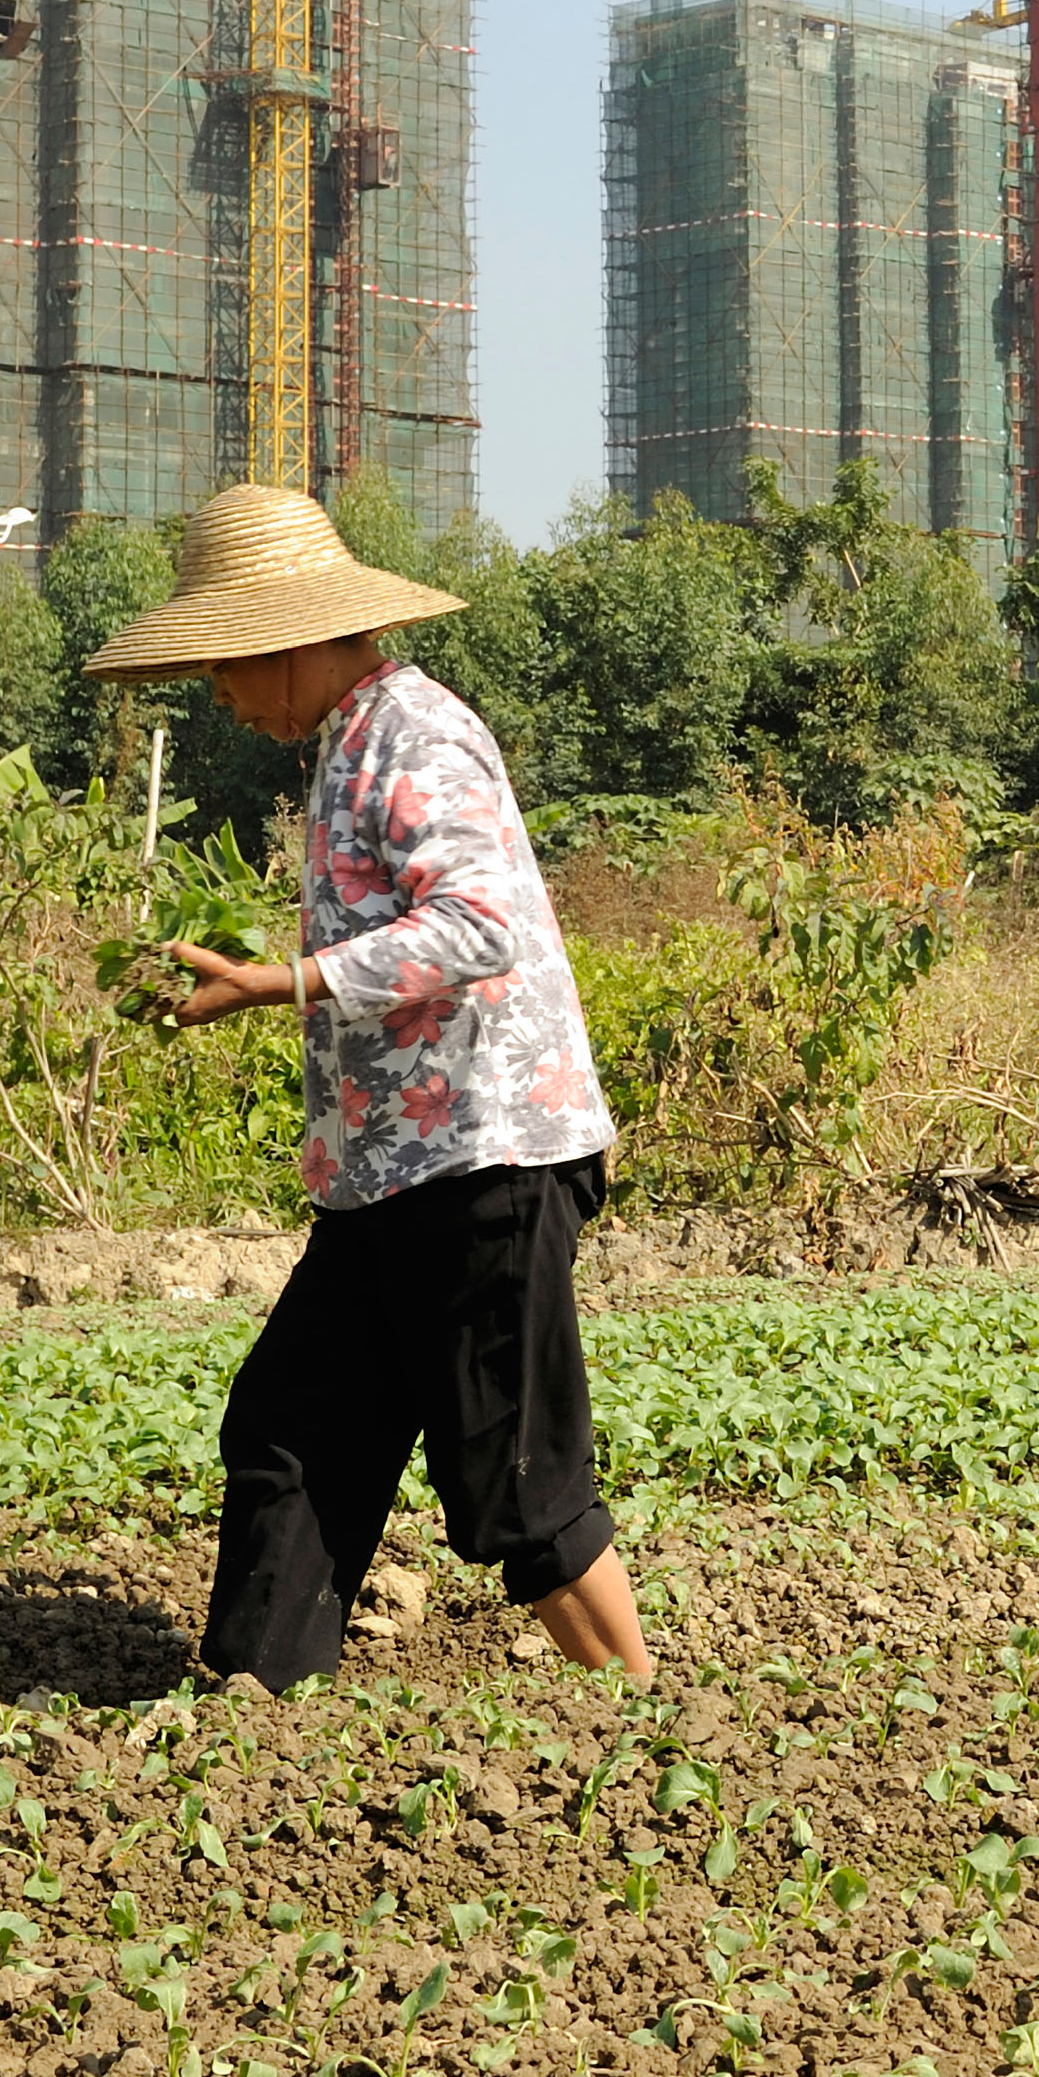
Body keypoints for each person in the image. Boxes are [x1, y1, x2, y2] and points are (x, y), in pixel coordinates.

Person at [83, 483, 651, 1690]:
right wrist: (265, 971)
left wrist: (282, 980)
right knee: (291, 1424)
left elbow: (479, 923)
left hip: (483, 1159)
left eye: (225, 670)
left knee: (515, 1488)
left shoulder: (413, 731)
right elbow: (398, 928)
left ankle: (645, 1714)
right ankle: (256, 1700)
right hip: (392, 1172)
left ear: (282, 642)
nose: (225, 699)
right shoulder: (350, 742)